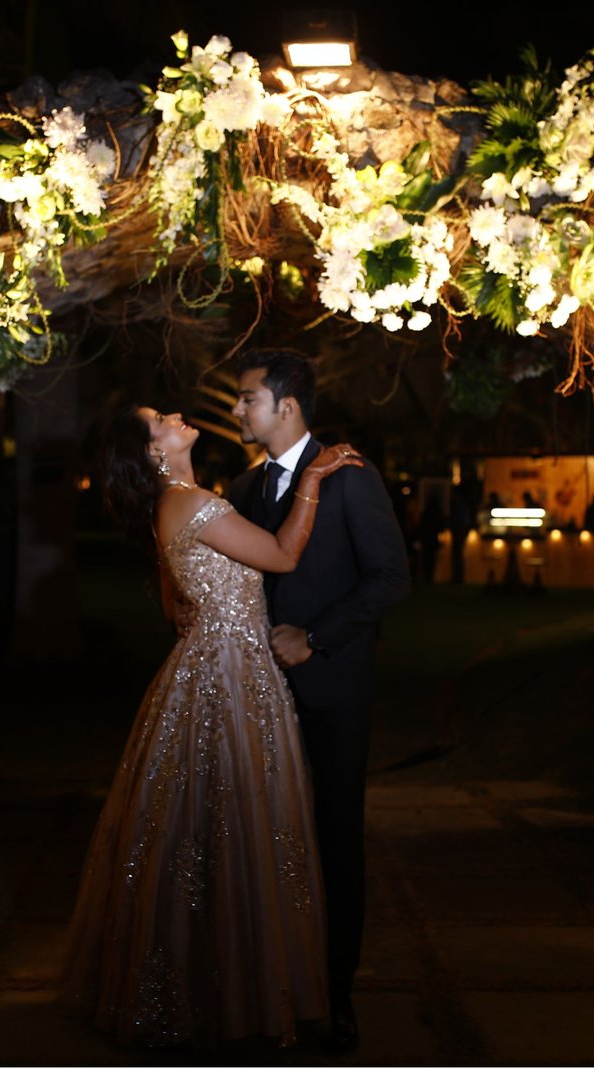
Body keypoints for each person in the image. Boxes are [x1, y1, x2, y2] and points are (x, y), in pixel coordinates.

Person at [60, 403, 362, 1049]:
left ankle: (202, 989)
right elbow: (282, 556)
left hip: (213, 667)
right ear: (151, 451)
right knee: (233, 830)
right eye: (157, 418)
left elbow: (177, 606)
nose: (174, 413)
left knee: (205, 834)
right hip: (229, 674)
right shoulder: (190, 502)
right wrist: (312, 480)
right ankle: (226, 998)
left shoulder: (176, 505)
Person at [225, 349, 411, 1054]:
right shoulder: (244, 486)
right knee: (268, 841)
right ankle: (273, 987)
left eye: (248, 399)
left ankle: (335, 999)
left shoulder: (348, 476)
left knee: (333, 843)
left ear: (287, 406)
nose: (239, 410)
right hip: (257, 695)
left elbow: (391, 578)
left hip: (332, 690)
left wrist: (318, 638)